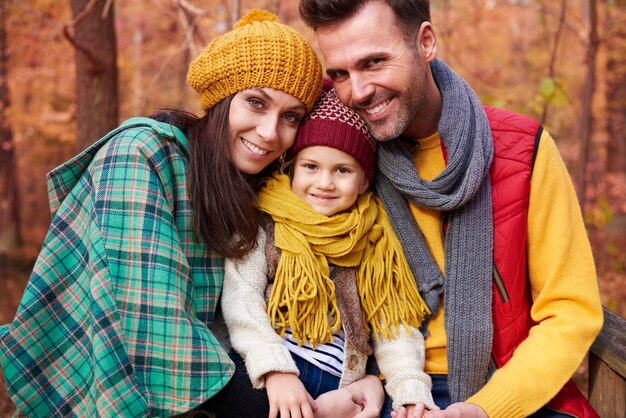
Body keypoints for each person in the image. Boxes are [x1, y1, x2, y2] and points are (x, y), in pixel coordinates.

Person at [0, 9, 322, 417]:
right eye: (256, 102)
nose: (270, 132)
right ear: (222, 98)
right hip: (89, 391)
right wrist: (305, 409)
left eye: (291, 116)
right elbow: (157, 331)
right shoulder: (140, 156)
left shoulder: (248, 187)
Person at [298, 1, 604, 418]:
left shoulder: (523, 150)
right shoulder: (341, 160)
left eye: (374, 62)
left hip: (508, 387)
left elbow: (570, 312)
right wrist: (366, 379)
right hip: (391, 390)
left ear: (426, 42)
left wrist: (483, 409)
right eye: (339, 74)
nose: (358, 90)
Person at [221, 80, 437, 418]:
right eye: (311, 166)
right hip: (271, 376)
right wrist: (274, 369)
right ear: (291, 169)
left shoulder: (374, 241)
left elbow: (394, 326)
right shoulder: (264, 223)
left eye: (342, 170)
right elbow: (241, 300)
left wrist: (409, 389)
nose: (324, 183)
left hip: (341, 386)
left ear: (364, 180)